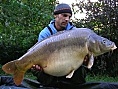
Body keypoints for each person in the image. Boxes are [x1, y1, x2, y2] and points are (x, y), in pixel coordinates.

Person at [31, 3, 88, 88]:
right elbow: (39, 53)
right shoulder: (45, 33)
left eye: (69, 17)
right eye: (64, 15)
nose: (67, 19)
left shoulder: (75, 33)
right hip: (50, 65)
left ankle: (75, 84)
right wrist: (37, 65)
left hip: (69, 64)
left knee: (82, 66)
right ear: (56, 16)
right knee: (35, 68)